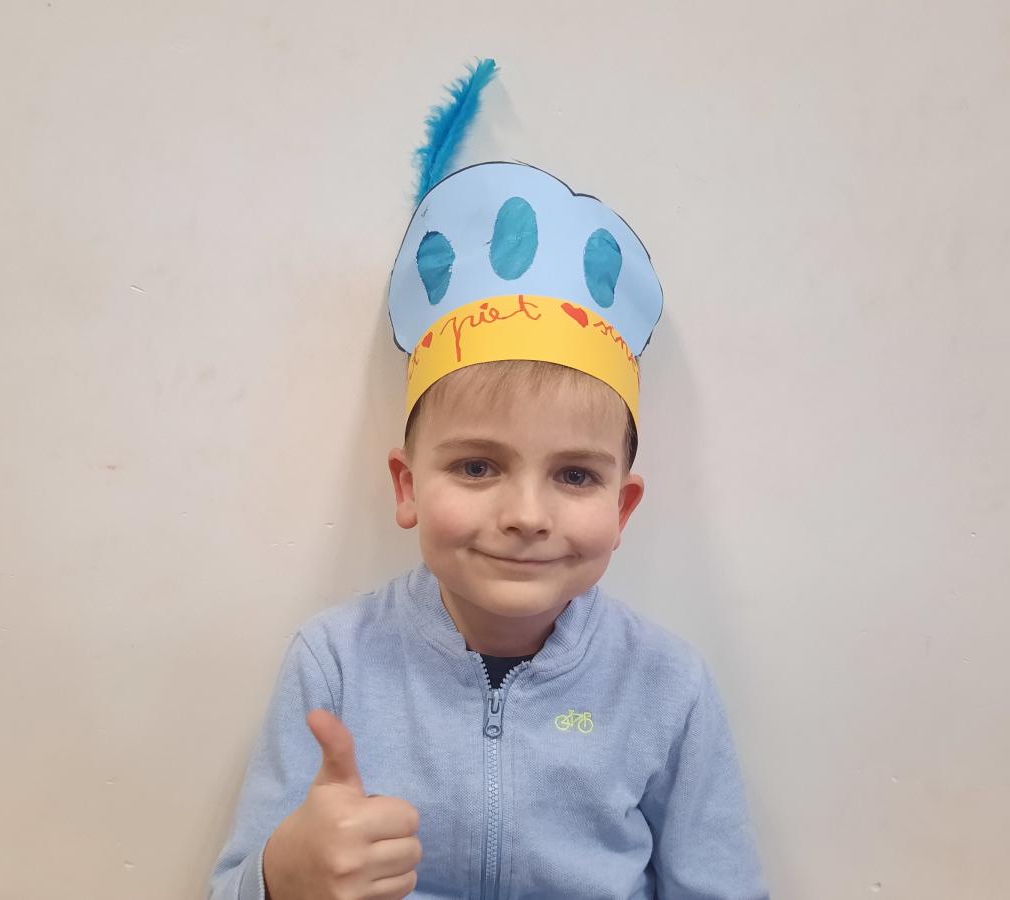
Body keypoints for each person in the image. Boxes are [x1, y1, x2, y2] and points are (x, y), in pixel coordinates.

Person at [208, 60, 769, 900]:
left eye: (574, 475)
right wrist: (283, 875)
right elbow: (232, 889)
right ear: (407, 486)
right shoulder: (335, 662)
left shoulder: (666, 687)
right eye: (477, 466)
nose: (526, 514)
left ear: (623, 508)